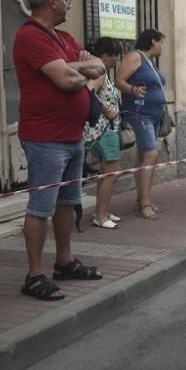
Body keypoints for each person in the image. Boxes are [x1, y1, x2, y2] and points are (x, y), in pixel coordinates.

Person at [14, 0, 105, 301]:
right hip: (45, 138)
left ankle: (64, 262)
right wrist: (78, 69)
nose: (69, 4)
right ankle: (34, 275)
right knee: (41, 206)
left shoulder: (63, 38)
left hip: (72, 136)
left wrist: (76, 66)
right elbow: (68, 80)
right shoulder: (30, 36)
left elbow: (98, 67)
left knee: (67, 203)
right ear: (52, 1)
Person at [118, 29, 168, 220]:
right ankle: (145, 204)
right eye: (161, 42)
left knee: (143, 156)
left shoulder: (149, 62)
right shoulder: (134, 56)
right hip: (141, 114)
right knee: (150, 155)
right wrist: (132, 89)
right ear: (153, 42)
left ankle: (142, 200)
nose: (162, 47)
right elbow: (119, 80)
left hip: (154, 115)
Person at [83, 37, 124, 229]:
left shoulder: (102, 72)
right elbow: (87, 91)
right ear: (106, 56)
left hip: (108, 129)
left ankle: (104, 211)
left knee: (107, 173)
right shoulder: (99, 73)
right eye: (115, 56)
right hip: (103, 130)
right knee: (111, 172)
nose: (117, 60)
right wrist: (106, 109)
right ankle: (100, 215)